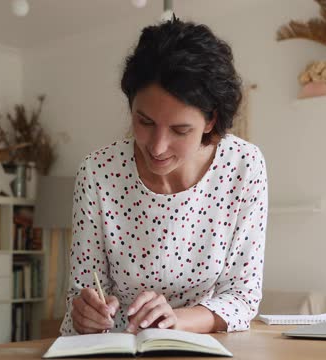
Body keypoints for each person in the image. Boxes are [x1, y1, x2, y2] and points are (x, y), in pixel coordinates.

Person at [60, 16, 267, 335]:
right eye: (144, 122)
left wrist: (176, 319)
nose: (157, 147)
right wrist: (86, 311)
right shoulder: (98, 172)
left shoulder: (243, 166)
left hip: (196, 343)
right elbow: (83, 291)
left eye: (179, 129)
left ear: (210, 121)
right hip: (114, 346)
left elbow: (242, 298)